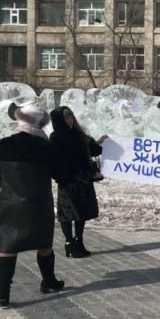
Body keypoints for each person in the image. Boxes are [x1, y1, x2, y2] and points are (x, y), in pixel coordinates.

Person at [0, 103, 64, 308]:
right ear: (40, 123)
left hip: (10, 205)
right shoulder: (46, 146)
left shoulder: (3, 144)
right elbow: (59, 173)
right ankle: (49, 281)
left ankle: (2, 295)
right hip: (39, 204)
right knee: (44, 245)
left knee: (7, 247)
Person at [49, 106, 107, 258]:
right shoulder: (55, 138)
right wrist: (62, 176)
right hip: (68, 181)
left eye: (70, 117)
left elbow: (93, 150)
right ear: (59, 120)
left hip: (83, 180)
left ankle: (79, 241)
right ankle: (69, 242)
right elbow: (55, 162)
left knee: (82, 213)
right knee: (68, 214)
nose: (69, 121)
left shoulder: (79, 135)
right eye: (66, 118)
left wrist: (101, 142)